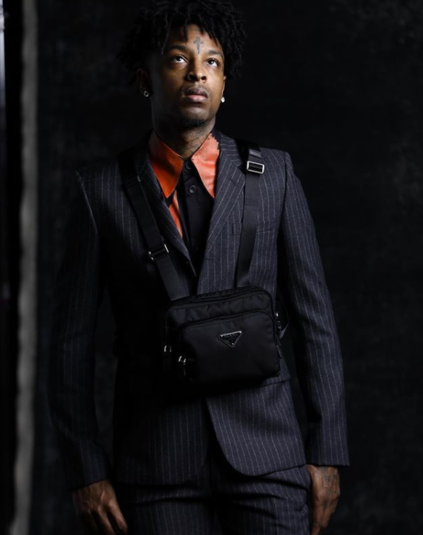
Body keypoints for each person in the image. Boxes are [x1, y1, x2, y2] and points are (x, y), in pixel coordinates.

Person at [48, 1, 349, 534]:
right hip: (155, 467)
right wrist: (85, 472)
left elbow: (316, 321)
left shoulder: (275, 175)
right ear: (146, 79)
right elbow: (69, 344)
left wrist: (326, 451)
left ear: (224, 83)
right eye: (178, 59)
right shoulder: (99, 191)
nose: (197, 73)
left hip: (268, 458)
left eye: (212, 62)